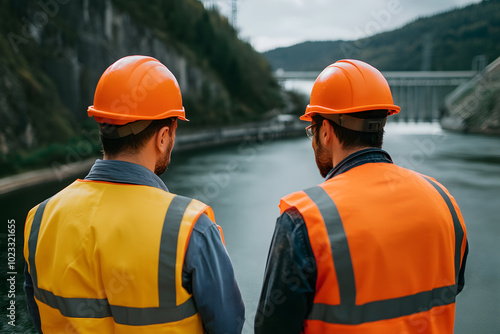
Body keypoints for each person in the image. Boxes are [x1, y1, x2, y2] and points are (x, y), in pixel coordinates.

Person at [23, 55, 245, 333]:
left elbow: (38, 316)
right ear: (164, 137)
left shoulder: (39, 219)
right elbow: (228, 326)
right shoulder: (190, 229)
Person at [255, 59, 468, 334]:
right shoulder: (444, 202)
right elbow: (453, 286)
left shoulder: (304, 220)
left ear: (325, 131)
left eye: (312, 131)